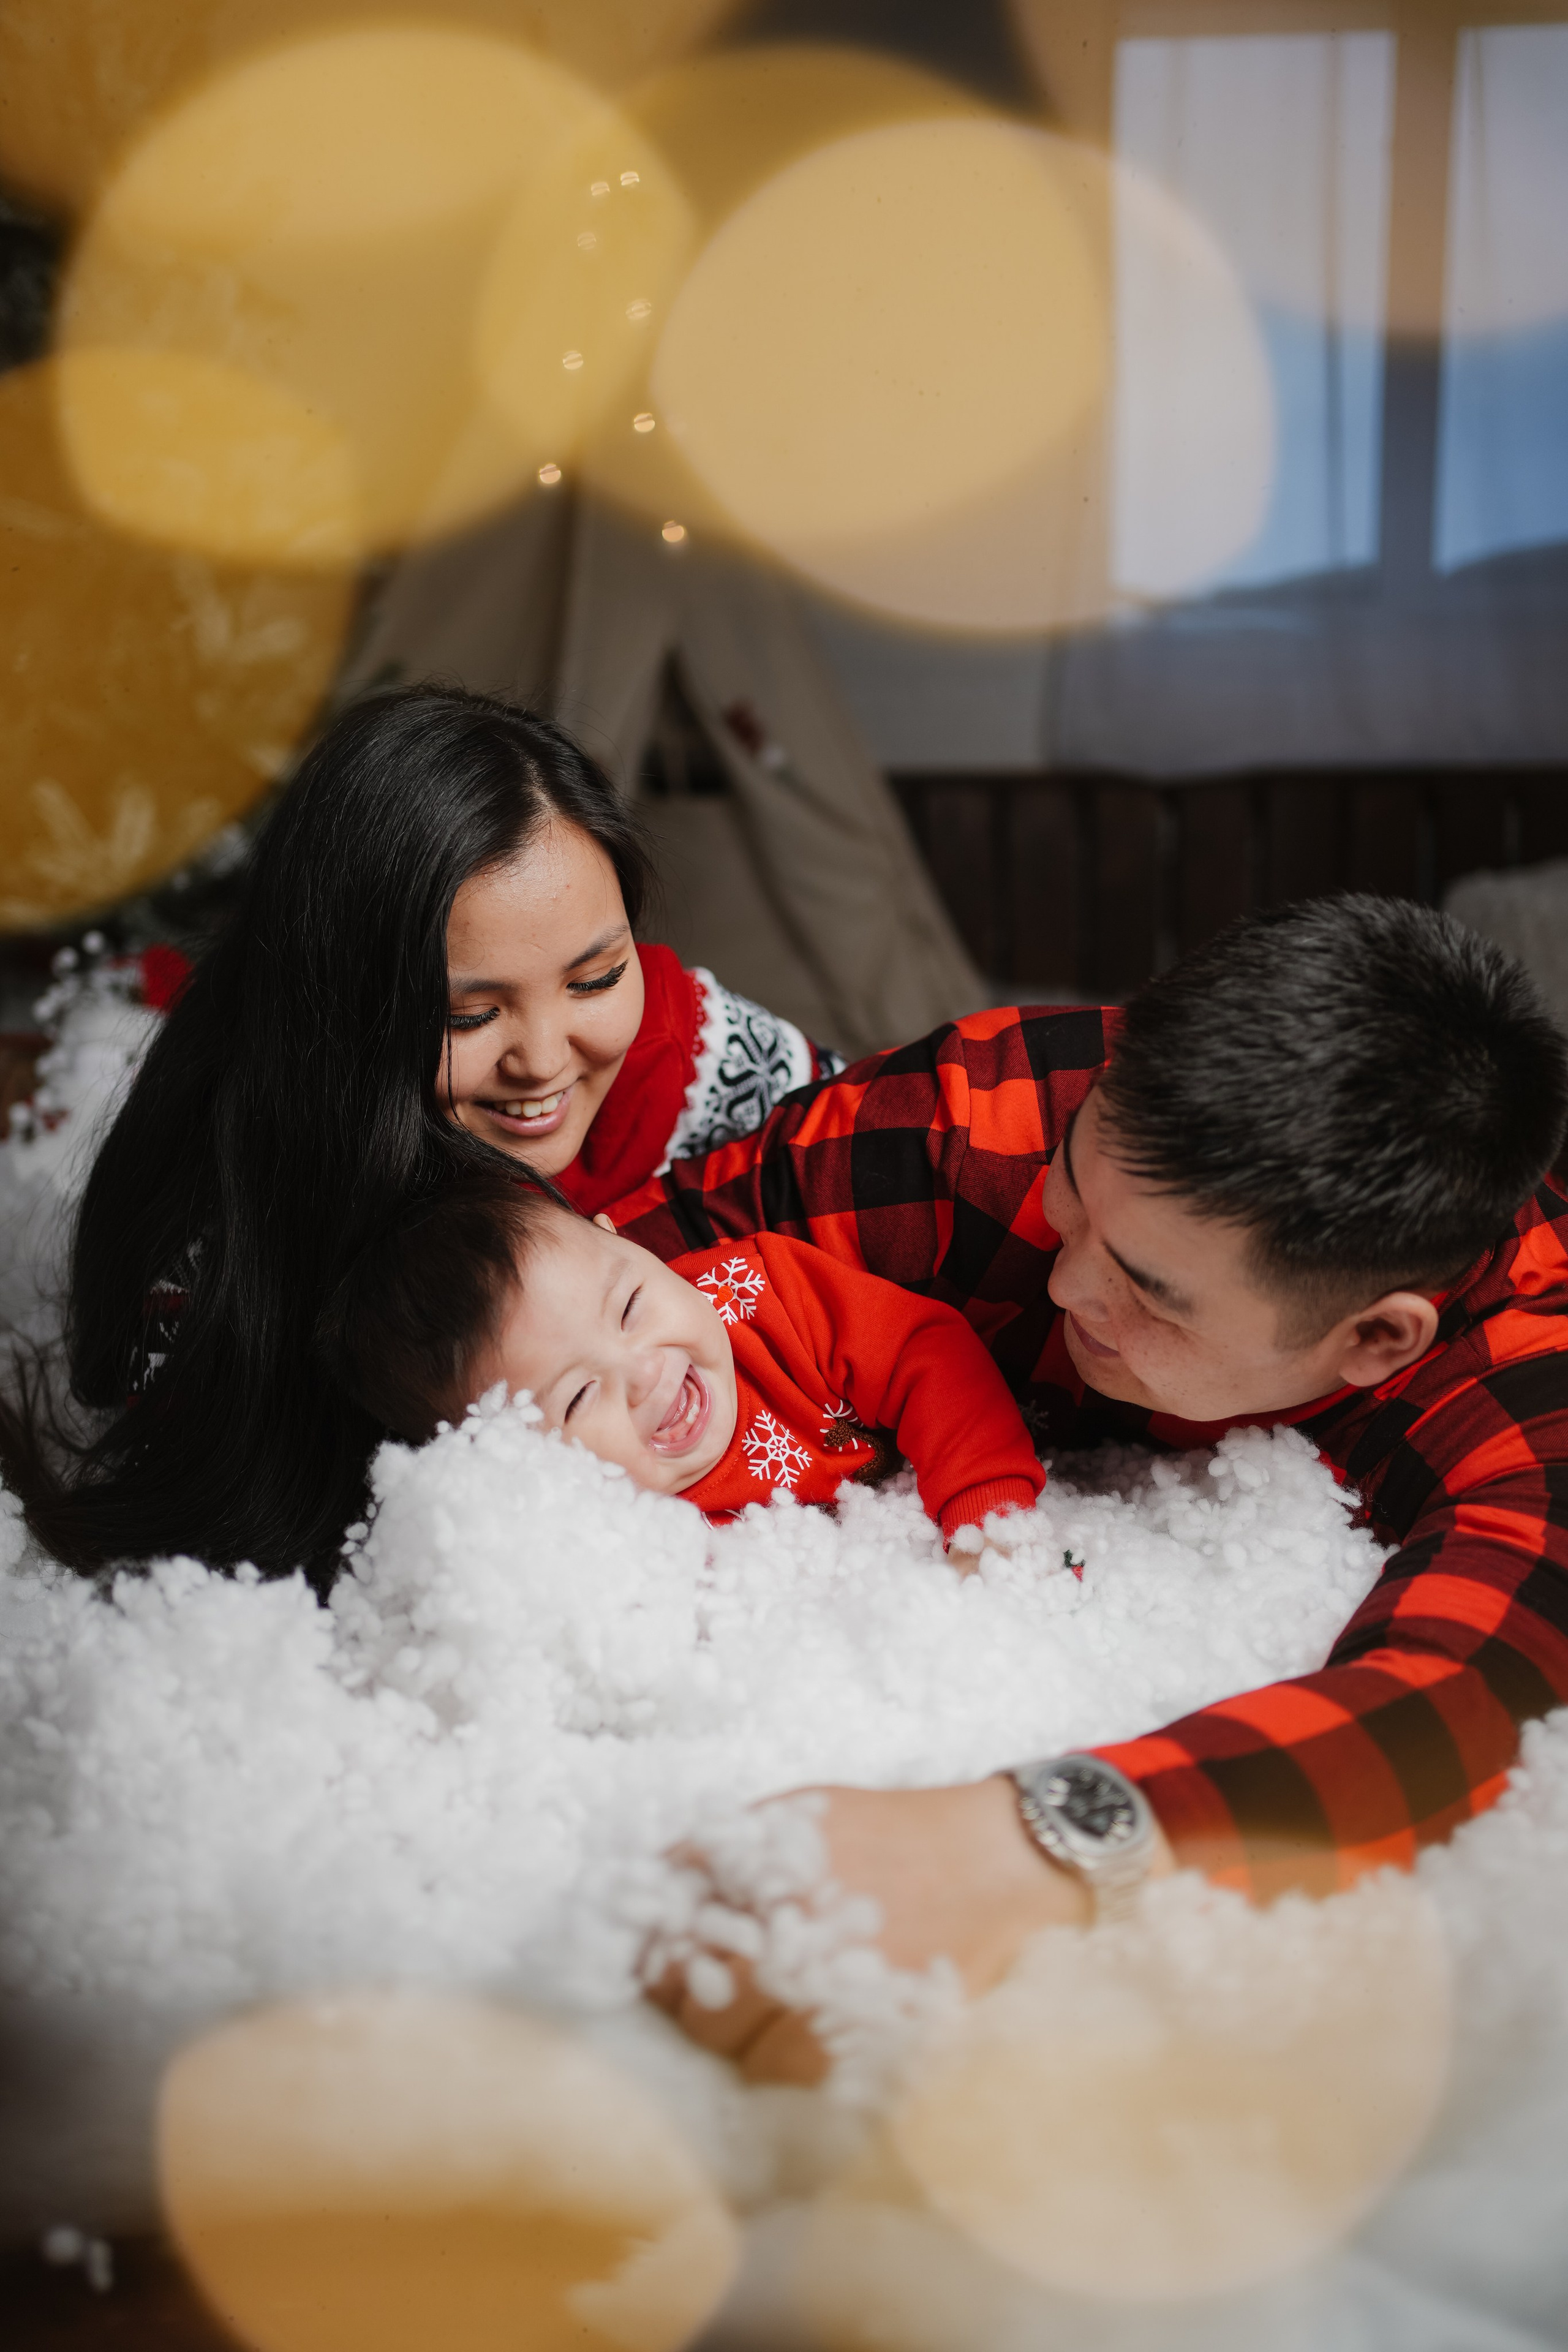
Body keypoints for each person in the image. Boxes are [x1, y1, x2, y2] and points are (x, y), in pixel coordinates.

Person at [606, 896, 1568, 2079]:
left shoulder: (1530, 1380)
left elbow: (1457, 1696)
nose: (1066, 1284)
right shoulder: (997, 1107)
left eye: (1152, 1292)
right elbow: (607, 1275)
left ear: (1376, 1341)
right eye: (1074, 1189)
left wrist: (1028, 1851)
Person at [2, 687, 836, 1583]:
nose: (546, 1061)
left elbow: (889, 1160)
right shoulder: (226, 1223)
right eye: (471, 1015)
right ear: (346, 1013)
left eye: (595, 978)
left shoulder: (685, 1046)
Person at [317, 1172, 1044, 1546]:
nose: (643, 1371)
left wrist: (989, 1522)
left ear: (628, 1242)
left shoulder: (762, 1294)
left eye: (630, 1306)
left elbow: (930, 1359)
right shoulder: (606, 1529)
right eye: (575, 1398)